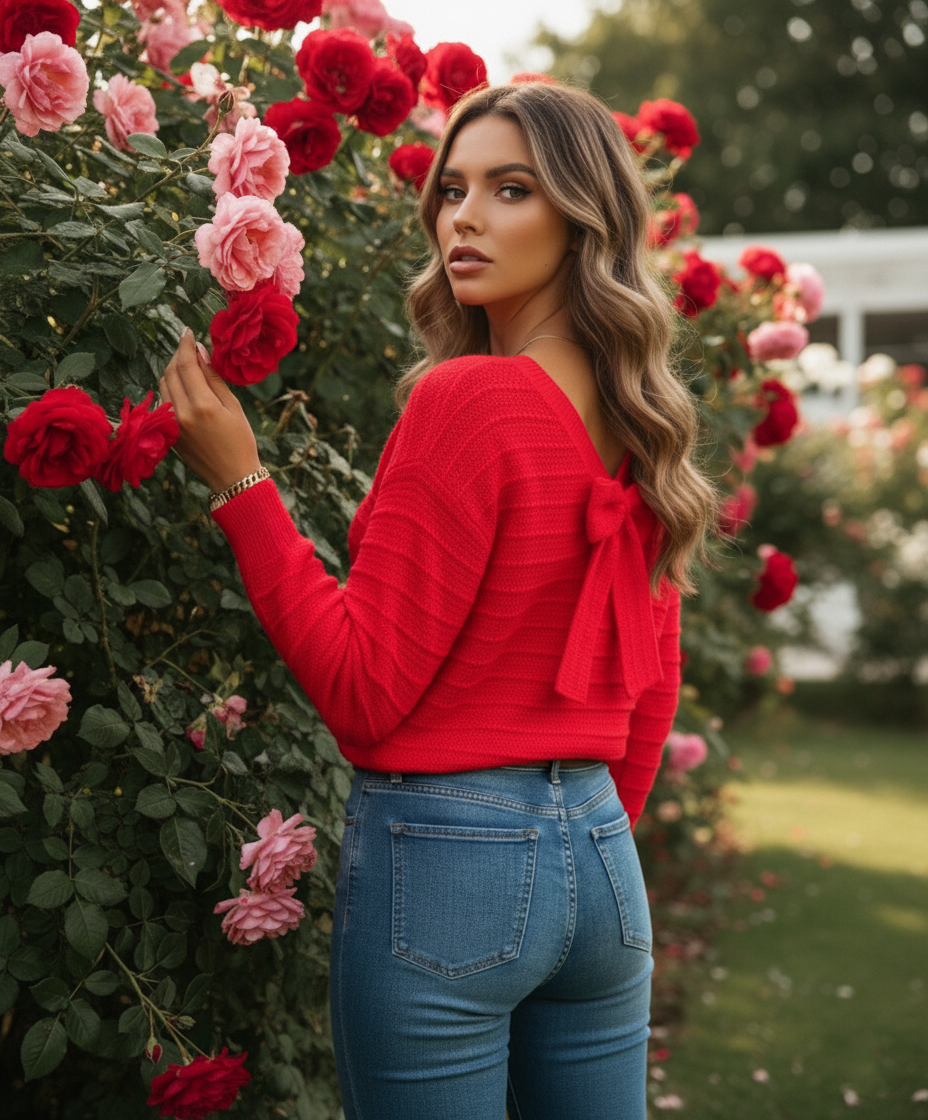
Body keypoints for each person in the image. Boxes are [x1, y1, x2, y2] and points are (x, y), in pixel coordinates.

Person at [160, 81, 716, 1120]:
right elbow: (650, 690)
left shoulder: (469, 399)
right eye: (452, 190)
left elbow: (363, 691)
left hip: (450, 864)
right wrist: (574, 853)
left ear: (581, 215)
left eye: (511, 189)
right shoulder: (643, 426)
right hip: (602, 858)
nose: (464, 217)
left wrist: (242, 482)